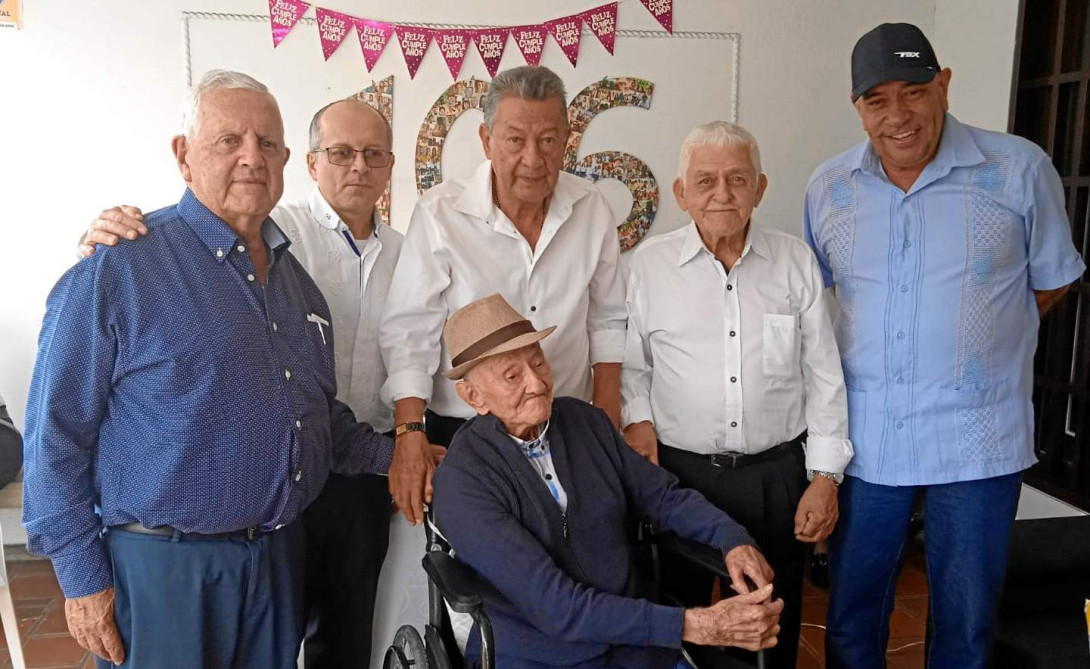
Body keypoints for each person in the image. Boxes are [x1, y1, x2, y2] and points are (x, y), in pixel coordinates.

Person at [22, 70, 393, 668]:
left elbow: (319, 419)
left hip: (275, 566)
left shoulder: (300, 290)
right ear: (183, 155)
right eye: (229, 141)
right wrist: (81, 578)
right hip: (162, 568)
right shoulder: (118, 268)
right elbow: (54, 435)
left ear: (286, 160)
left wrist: (408, 456)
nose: (252, 157)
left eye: (267, 143)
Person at [803, 23, 1085, 669]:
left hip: (978, 438)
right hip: (868, 439)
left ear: (944, 85)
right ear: (857, 108)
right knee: (851, 617)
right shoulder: (828, 187)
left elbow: (1052, 280)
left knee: (966, 624)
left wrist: (981, 333)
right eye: (877, 100)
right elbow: (819, 297)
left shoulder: (1018, 169)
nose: (898, 115)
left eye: (914, 92)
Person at [432, 294, 784, 669]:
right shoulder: (463, 480)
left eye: (538, 363)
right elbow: (556, 608)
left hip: (637, 643)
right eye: (512, 376)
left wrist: (731, 538)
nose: (537, 383)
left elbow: (663, 497)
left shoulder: (585, 422)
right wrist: (693, 625)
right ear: (473, 396)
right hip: (541, 655)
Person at [621, 121, 852, 669]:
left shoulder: (794, 261)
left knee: (771, 622)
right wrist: (638, 422)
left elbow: (824, 374)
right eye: (705, 181)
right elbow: (632, 365)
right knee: (679, 619)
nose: (722, 194)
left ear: (760, 188)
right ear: (681, 193)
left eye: (737, 179)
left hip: (774, 477)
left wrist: (825, 476)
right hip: (681, 479)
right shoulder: (649, 265)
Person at [381, 65, 627, 526]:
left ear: (567, 139)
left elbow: (609, 319)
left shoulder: (592, 208)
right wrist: (409, 433)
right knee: (482, 560)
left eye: (548, 140)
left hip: (564, 425)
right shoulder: (440, 215)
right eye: (515, 140)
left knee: (578, 547)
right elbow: (409, 333)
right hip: (466, 431)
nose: (533, 158)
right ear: (486, 139)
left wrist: (608, 417)